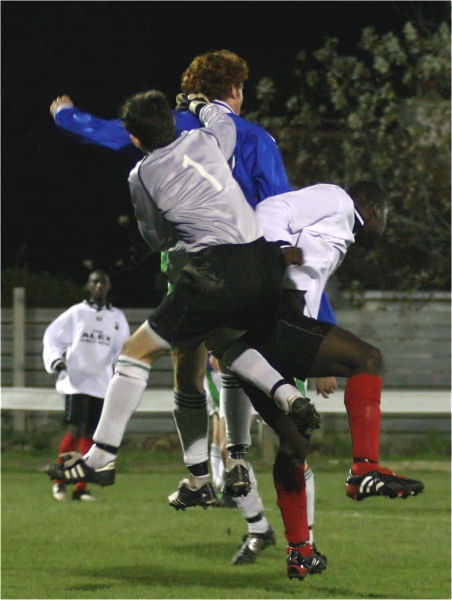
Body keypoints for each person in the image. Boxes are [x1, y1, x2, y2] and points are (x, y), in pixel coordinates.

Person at [47, 49, 334, 562]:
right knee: (246, 382)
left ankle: (118, 457)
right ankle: (280, 514)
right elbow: (287, 216)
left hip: (202, 272)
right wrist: (319, 321)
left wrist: (64, 114)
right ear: (235, 92)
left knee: (161, 363)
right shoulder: (220, 133)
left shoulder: (157, 153)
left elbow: (148, 218)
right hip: (264, 270)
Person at [228, 181, 424, 579]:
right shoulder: (337, 199)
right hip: (278, 315)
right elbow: (272, 207)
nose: (385, 225)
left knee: (295, 442)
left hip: (261, 335)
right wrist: (279, 249)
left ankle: (300, 550)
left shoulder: (339, 235)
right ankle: (365, 470)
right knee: (368, 358)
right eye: (385, 213)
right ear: (369, 205)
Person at [43, 270, 130, 501]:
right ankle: (60, 482)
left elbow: (122, 351)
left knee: (93, 436)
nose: (99, 286)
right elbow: (52, 336)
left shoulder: (117, 317)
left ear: (108, 286)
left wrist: (120, 376)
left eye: (103, 281)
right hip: (77, 382)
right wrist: (56, 360)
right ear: (89, 286)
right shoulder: (77, 313)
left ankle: (80, 487)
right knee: (75, 430)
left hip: (102, 385)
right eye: (94, 282)